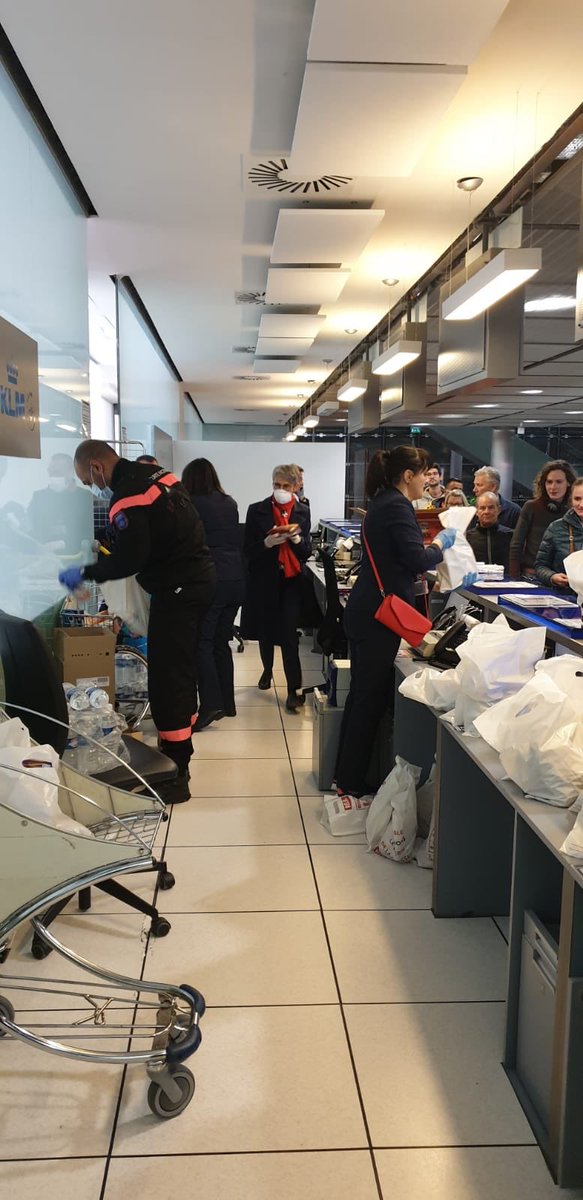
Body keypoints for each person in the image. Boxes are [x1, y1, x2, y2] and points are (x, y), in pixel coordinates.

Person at [58, 440, 216, 803]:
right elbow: (156, 534)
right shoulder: (156, 475)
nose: (91, 486)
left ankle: (177, 774)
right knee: (181, 674)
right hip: (196, 582)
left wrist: (85, 571)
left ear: (96, 466)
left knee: (167, 680)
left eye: (87, 479)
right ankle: (175, 754)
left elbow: (131, 559)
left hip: (178, 591)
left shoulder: (126, 495)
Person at [334, 447, 460, 802]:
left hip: (367, 612)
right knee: (368, 701)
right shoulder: (396, 506)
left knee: (362, 698)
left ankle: (345, 776)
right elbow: (416, 557)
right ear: (408, 475)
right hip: (378, 618)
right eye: (423, 474)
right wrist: (440, 544)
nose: (426, 481)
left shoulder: (384, 503)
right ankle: (351, 782)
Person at [241, 464, 311, 712]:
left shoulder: (302, 511)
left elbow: (306, 552)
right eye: (276, 485)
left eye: (285, 486)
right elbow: (248, 550)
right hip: (264, 579)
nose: (280, 490)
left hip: (290, 580)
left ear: (294, 487)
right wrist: (267, 543)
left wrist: (296, 539)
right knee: (266, 631)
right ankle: (267, 670)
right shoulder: (256, 510)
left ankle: (293, 690)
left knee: (289, 635)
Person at [182, 457, 245, 729]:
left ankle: (209, 705)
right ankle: (227, 704)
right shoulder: (229, 502)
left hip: (211, 578)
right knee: (221, 641)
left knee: (202, 643)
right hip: (236, 579)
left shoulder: (191, 503)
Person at [509, 459, 576, 579]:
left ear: (569, 483)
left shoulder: (573, 511)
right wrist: (514, 578)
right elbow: (516, 545)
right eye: (549, 482)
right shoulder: (531, 507)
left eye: (558, 482)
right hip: (531, 575)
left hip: (564, 578)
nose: (553, 487)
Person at [27, 452, 94, 554]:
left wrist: (64, 543)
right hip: (45, 556)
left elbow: (89, 532)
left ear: (71, 472)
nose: (54, 476)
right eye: (51, 472)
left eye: (58, 473)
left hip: (75, 556)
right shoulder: (39, 497)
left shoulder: (84, 497)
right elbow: (32, 527)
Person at [535, 476, 583, 589]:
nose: (581, 505)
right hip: (565, 597)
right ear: (571, 500)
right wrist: (552, 577)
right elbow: (540, 566)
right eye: (577, 499)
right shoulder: (556, 528)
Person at [467, 492, 512, 571]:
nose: (487, 512)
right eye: (482, 508)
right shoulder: (467, 538)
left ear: (498, 510)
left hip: (505, 581)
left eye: (491, 507)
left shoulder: (510, 536)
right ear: (477, 511)